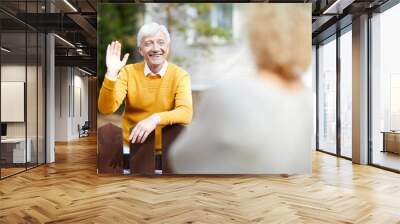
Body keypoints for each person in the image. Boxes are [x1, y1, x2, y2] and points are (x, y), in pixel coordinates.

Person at [168, 4, 313, 174]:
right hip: (280, 196)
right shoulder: (305, 97)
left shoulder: (231, 93)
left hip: (233, 196)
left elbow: (182, 158)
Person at [98, 22, 193, 154]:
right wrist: (111, 73)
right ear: (140, 50)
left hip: (166, 151)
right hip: (130, 148)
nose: (155, 48)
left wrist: (154, 119)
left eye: (161, 42)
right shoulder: (128, 72)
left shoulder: (180, 75)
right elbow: (105, 109)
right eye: (148, 43)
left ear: (168, 47)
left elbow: (186, 113)